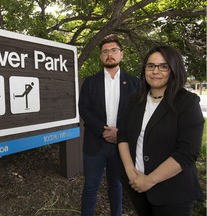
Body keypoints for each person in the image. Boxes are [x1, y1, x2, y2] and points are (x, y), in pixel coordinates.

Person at [117, 45, 204, 216]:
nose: (155, 71)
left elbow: (187, 152)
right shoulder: (135, 99)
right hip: (137, 186)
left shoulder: (187, 102)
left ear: (173, 69)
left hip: (173, 193)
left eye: (163, 66)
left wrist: (149, 180)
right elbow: (123, 135)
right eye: (151, 66)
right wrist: (130, 171)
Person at [79, 34, 139, 216]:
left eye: (113, 50)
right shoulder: (90, 82)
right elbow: (84, 109)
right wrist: (102, 130)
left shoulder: (135, 83)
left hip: (121, 145)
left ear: (121, 54)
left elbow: (138, 114)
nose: (109, 54)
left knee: (116, 185)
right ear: (101, 57)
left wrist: (119, 133)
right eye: (105, 51)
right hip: (95, 144)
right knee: (90, 186)